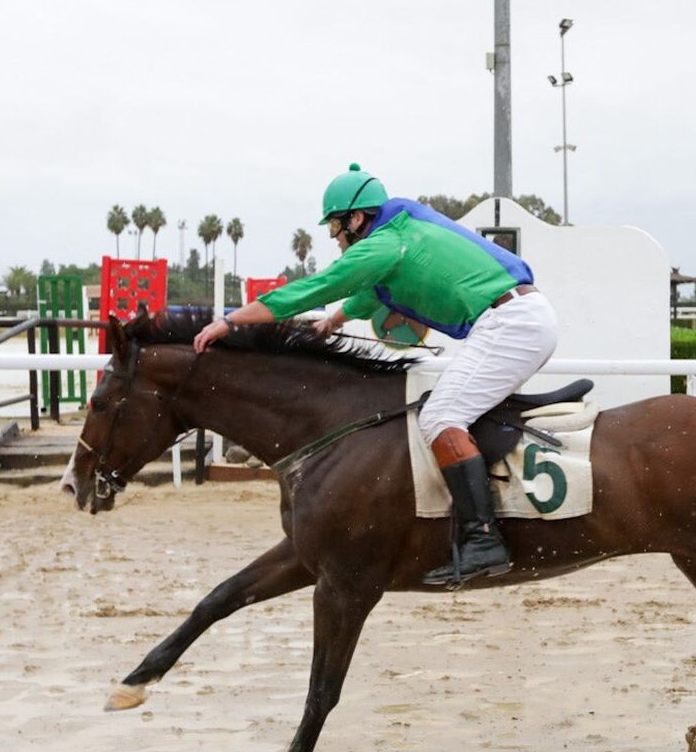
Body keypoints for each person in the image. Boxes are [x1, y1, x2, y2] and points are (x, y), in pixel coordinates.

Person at [193, 163, 558, 586]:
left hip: (511, 323)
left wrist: (232, 321)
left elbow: (318, 285)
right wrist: (335, 321)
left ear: (357, 218)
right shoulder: (400, 236)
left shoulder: (383, 245)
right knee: (456, 413)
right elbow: (371, 293)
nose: (334, 237)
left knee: (439, 417)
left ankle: (483, 539)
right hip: (518, 317)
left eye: (335, 226)